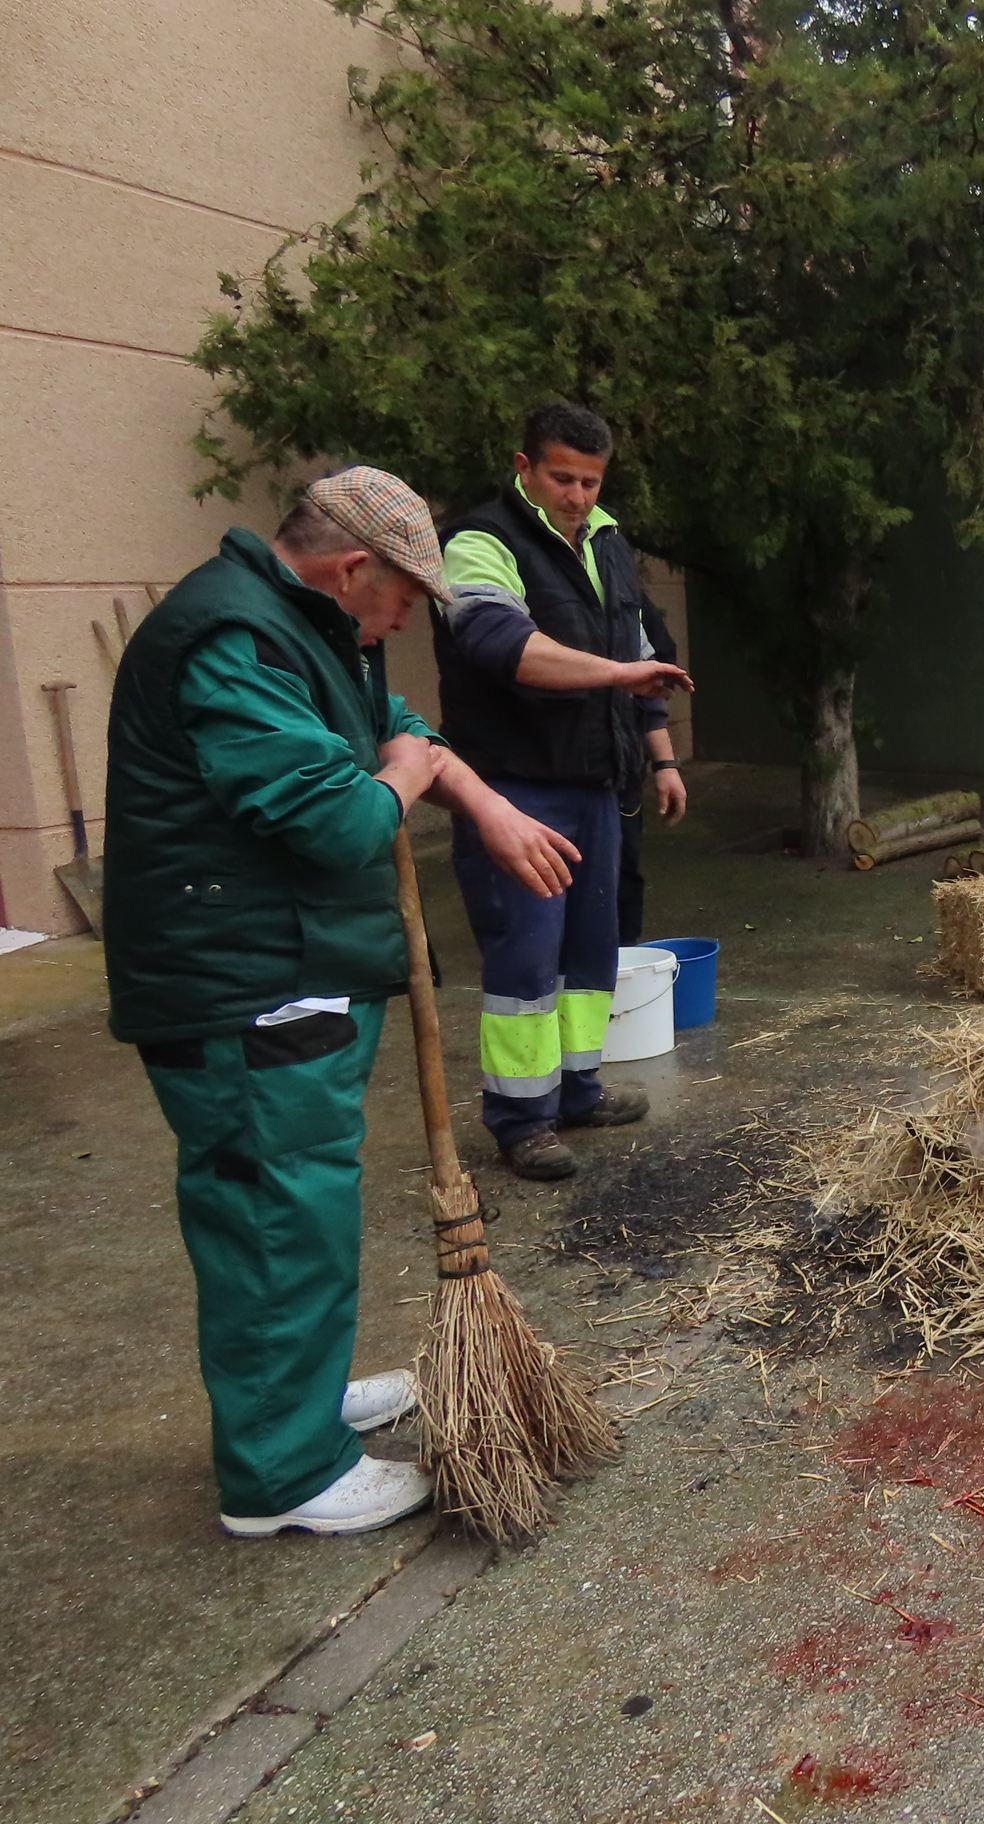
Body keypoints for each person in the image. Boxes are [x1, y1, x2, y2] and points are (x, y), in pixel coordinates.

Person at [106, 468, 584, 1536]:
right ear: (350, 568)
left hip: (286, 966)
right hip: (242, 984)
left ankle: (299, 1403)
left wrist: (475, 797)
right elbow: (336, 820)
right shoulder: (230, 639)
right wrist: (410, 778)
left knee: (301, 1211)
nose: (408, 619)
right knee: (274, 1220)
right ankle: (282, 1479)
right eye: (405, 595)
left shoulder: (307, 634)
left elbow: (394, 724)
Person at [435, 403, 691, 1181]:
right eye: (561, 478)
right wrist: (617, 675)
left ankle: (578, 1089)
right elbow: (500, 644)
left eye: (590, 480)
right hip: (516, 789)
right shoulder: (480, 542)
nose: (578, 496)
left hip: (596, 783)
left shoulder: (609, 542)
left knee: (592, 953)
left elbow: (642, 651)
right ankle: (521, 1118)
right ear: (524, 468)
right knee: (525, 961)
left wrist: (664, 757)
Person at [620, 589, 687, 947]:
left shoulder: (610, 557)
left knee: (622, 876)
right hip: (549, 775)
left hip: (621, 767)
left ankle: (625, 967)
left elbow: (652, 689)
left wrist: (665, 764)